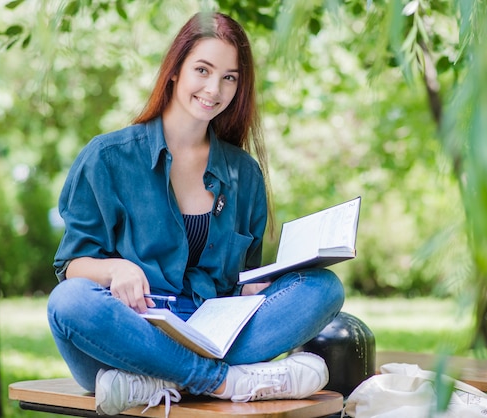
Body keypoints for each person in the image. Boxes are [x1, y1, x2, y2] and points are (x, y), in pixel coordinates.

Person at [46, 11, 345, 417]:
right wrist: (114, 269)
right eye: (202, 70)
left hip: (213, 331)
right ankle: (222, 382)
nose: (213, 88)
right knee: (69, 302)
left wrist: (254, 288)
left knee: (324, 288)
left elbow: (242, 281)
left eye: (229, 77)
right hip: (132, 331)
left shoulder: (244, 174)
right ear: (175, 71)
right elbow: (73, 265)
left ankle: (153, 383)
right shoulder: (107, 157)